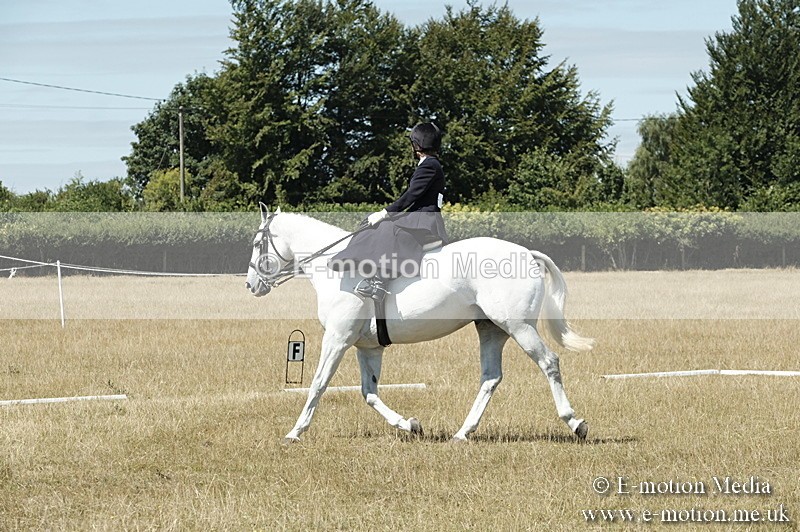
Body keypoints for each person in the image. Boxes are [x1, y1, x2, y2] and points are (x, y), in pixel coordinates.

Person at [329, 122, 448, 302]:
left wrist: (385, 212)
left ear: (417, 145)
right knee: (376, 223)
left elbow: (411, 196)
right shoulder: (431, 164)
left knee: (385, 227)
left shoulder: (429, 165)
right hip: (422, 217)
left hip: (424, 221)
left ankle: (379, 282)